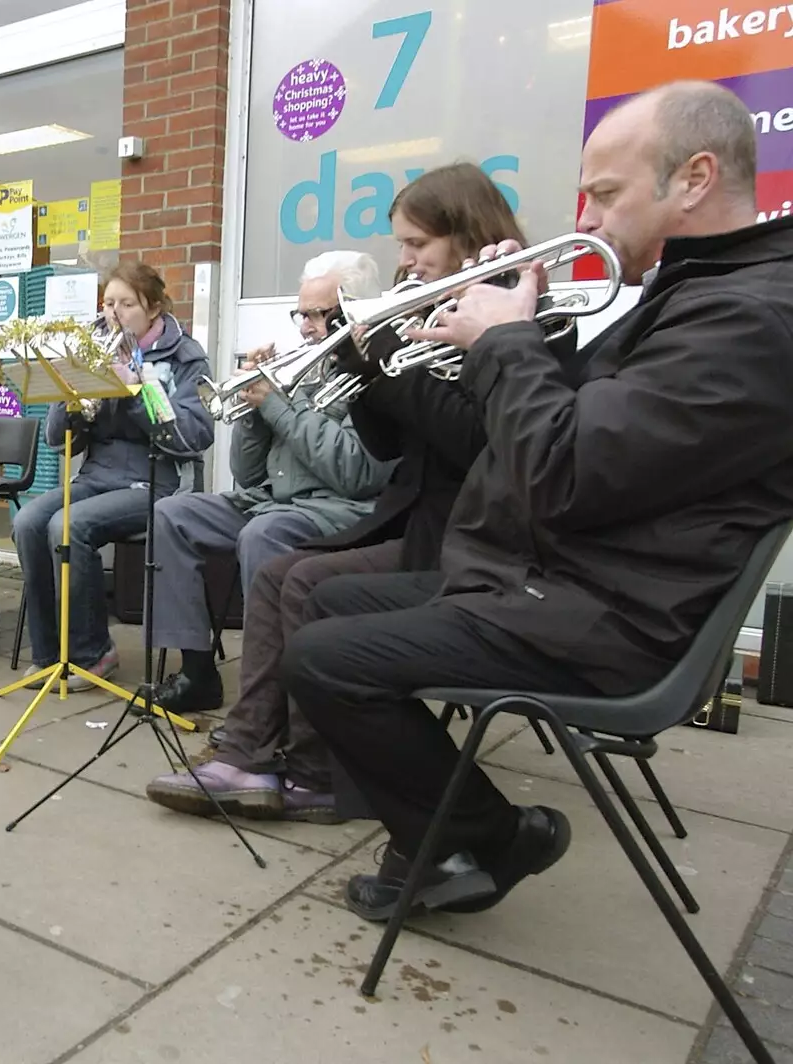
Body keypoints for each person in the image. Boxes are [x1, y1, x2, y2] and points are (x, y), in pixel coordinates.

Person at [281, 80, 793, 920]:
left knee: (327, 658)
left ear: (694, 178)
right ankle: (435, 837)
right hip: (565, 581)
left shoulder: (746, 319)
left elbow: (560, 472)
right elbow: (571, 432)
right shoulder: (698, 292)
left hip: (611, 616)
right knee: (328, 597)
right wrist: (493, 334)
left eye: (606, 193)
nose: (585, 219)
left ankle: (488, 834)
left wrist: (510, 339)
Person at [147, 163, 528, 823]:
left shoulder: (514, 318)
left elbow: (403, 455)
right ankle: (249, 746)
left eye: (415, 245)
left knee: (290, 571)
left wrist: (371, 364)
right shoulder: (428, 320)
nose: (404, 261)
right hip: (394, 522)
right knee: (242, 551)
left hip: (455, 541)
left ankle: (302, 761)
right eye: (402, 245)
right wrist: (272, 397)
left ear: (464, 236)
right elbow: (383, 443)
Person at [145, 251, 394, 715]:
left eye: (318, 315)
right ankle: (196, 670)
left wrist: (276, 404)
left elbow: (357, 474)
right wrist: (254, 407)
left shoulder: (377, 374)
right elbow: (249, 473)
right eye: (301, 314)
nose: (305, 327)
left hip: (340, 510)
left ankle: (268, 701)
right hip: (272, 501)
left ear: (354, 308)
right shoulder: (308, 369)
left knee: (263, 533)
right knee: (172, 513)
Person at [12, 261, 216, 687]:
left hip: (158, 480)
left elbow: (194, 436)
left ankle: (93, 653)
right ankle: (51, 653)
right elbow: (56, 439)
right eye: (109, 303)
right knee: (28, 521)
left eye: (127, 304)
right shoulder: (95, 348)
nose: (114, 314)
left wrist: (136, 388)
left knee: (69, 526)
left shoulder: (185, 356)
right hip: (98, 476)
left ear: (154, 308)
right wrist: (69, 390)